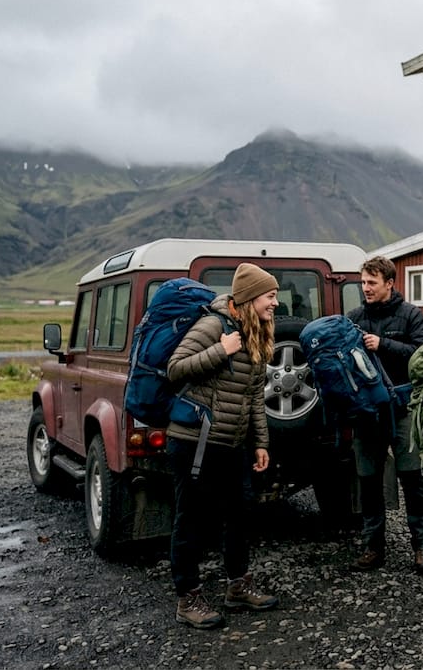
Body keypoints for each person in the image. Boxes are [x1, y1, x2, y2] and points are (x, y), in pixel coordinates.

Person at [166, 262, 281, 629]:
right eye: (270, 296)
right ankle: (188, 598)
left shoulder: (257, 332)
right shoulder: (214, 326)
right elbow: (175, 368)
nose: (275, 303)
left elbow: (254, 397)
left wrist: (261, 443)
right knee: (192, 519)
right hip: (195, 442)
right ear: (249, 298)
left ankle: (237, 586)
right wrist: (220, 350)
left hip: (231, 443)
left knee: (240, 513)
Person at [346, 256, 423, 574]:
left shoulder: (411, 315)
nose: (366, 288)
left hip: (402, 408)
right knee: (368, 481)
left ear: (389, 283)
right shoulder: (354, 318)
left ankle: (422, 547)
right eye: (363, 282)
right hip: (367, 412)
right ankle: (373, 548)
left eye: (372, 282)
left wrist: (383, 344)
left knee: (412, 478)